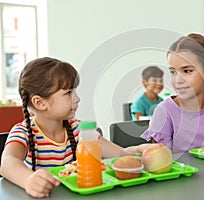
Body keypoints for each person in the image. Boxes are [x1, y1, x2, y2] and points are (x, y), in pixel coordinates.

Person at [0, 57, 160, 198]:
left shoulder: (77, 129)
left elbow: (119, 154)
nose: (77, 99)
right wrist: (28, 180)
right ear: (40, 103)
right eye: (68, 93)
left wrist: (140, 151)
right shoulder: (23, 132)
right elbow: (7, 162)